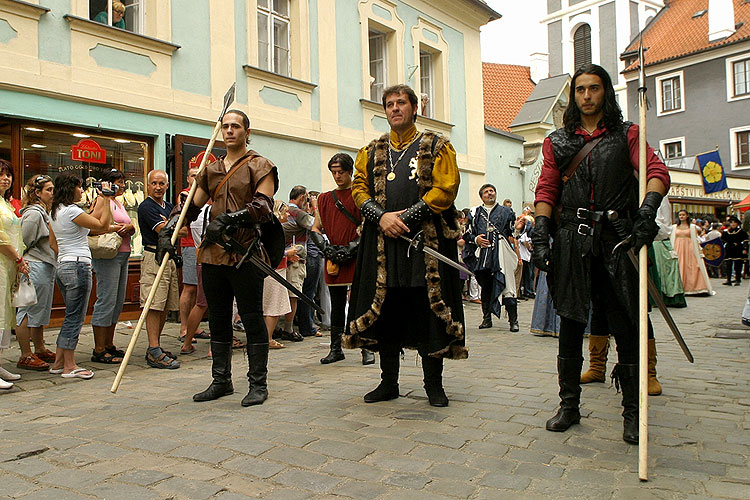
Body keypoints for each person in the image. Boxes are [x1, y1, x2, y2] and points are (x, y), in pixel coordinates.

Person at [532, 64, 670, 444]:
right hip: (573, 241)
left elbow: (656, 171)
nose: (587, 96)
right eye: (580, 90)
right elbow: (547, 190)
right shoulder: (557, 141)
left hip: (617, 240)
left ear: (605, 93)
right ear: (573, 95)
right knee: (571, 323)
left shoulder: (628, 133)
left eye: (594, 88)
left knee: (626, 324)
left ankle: (631, 411)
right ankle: (569, 406)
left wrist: (646, 210)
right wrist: (541, 233)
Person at [346, 84, 466, 407]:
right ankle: (388, 382)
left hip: (423, 243)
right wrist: (381, 217)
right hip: (383, 243)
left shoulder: (437, 146)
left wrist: (409, 217)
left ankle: (433, 385)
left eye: (401, 103)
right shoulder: (371, 151)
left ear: (415, 108)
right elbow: (359, 189)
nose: (395, 108)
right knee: (387, 309)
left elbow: (445, 189)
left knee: (426, 307)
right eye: (389, 104)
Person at [159, 109, 280, 406]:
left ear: (246, 132)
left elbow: (263, 206)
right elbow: (190, 206)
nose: (229, 131)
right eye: (225, 126)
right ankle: (221, 380)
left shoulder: (260, 165)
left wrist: (229, 220)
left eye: (235, 126)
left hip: (244, 252)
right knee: (219, 318)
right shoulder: (211, 170)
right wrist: (171, 228)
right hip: (212, 255)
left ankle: (258, 384)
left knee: (251, 318)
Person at [310, 153, 375, 365]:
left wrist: (353, 247)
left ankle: (366, 347)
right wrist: (325, 248)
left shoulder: (360, 196)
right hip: (334, 258)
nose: (337, 176)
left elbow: (368, 226)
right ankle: (336, 348)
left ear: (350, 171)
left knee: (360, 303)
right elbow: (316, 228)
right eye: (334, 172)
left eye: (341, 172)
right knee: (337, 305)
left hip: (357, 255)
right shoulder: (324, 199)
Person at [48, 173, 112, 380]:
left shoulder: (55, 211)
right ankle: (69, 365)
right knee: (74, 318)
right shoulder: (72, 211)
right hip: (78, 266)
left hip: (64, 264)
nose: (82, 191)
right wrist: (109, 201)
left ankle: (58, 362)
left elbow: (52, 243)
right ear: (70, 189)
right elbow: (101, 225)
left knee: (70, 314)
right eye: (79, 187)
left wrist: (102, 198)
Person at [138, 169, 183, 369]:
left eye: (161, 183)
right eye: (154, 183)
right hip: (153, 257)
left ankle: (155, 346)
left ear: (166, 186)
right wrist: (173, 227)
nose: (158, 187)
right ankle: (154, 349)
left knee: (164, 304)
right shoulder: (146, 207)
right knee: (153, 303)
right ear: (148, 185)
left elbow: (182, 230)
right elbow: (164, 230)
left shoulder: (169, 206)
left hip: (169, 257)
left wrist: (174, 227)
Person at [90, 169, 135, 364]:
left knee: (117, 301)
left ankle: (109, 343)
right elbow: (94, 226)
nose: (122, 186)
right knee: (106, 299)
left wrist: (131, 228)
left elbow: (127, 224)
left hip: (123, 253)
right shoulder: (102, 200)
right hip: (108, 255)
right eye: (118, 182)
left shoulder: (118, 202)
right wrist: (118, 228)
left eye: (123, 182)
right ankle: (99, 348)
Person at [15, 175, 57, 371]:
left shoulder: (43, 212)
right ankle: (25, 354)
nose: (52, 193)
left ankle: (39, 348)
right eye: (48, 190)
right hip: (35, 265)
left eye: (52, 189)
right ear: (37, 193)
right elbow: (24, 241)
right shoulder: (33, 213)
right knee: (27, 309)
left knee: (40, 309)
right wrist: (21, 263)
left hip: (46, 265)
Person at [464, 184, 519, 331]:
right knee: (486, 286)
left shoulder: (506, 212)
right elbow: (467, 233)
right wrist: (477, 240)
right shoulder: (475, 213)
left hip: (501, 253)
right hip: (484, 254)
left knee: (508, 285)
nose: (490, 194)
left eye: (492, 191)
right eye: (486, 192)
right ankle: (486, 318)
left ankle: (514, 321)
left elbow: (511, 233)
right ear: (481, 196)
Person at [0, 160, 28, 389]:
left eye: (8, 175)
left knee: (6, 314)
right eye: (1, 175)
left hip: (10, 265)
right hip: (2, 263)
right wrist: (18, 258)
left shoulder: (6, 203)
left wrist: (19, 259)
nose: (5, 179)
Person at [279, 185, 318, 342]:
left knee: (282, 295)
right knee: (293, 295)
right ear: (302, 197)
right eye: (306, 198)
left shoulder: (286, 210)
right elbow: (315, 224)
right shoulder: (296, 211)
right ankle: (288, 329)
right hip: (294, 259)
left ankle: (280, 327)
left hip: (282, 257)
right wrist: (315, 207)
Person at [178, 167, 208, 343]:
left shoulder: (205, 194)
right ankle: (184, 328)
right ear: (188, 179)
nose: (196, 179)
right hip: (190, 245)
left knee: (199, 291)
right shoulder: (185, 195)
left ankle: (193, 326)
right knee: (189, 287)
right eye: (193, 176)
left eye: (199, 176)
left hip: (202, 247)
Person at [262, 201, 292, 350]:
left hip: (274, 269)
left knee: (269, 304)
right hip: (275, 270)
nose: (288, 215)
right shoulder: (274, 228)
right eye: (286, 212)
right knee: (273, 305)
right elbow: (272, 250)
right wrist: (288, 253)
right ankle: (267, 338)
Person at [671, 210, 713, 295]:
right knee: (679, 265)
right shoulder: (674, 227)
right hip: (678, 247)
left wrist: (698, 249)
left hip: (690, 248)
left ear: (687, 216)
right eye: (680, 215)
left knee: (691, 266)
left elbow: (696, 238)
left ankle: (695, 287)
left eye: (683, 215)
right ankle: (679, 287)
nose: (681, 216)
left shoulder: (692, 227)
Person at [721, 215, 748, 286]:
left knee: (738, 265)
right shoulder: (726, 232)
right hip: (729, 249)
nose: (733, 224)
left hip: (738, 249)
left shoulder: (741, 232)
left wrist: (745, 248)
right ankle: (728, 280)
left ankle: (738, 279)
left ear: (737, 223)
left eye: (734, 222)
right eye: (731, 222)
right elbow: (722, 241)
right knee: (728, 265)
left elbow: (745, 240)